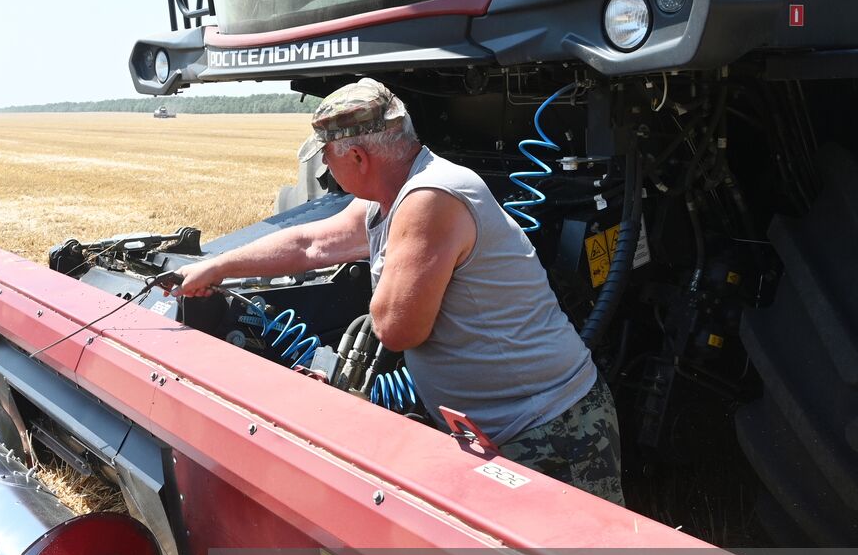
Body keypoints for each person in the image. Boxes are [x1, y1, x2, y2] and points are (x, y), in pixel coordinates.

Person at [171, 78, 624, 505]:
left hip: (553, 429)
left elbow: (396, 329)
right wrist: (218, 266)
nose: (324, 167)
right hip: (495, 426)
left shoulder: (431, 199)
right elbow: (311, 243)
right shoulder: (387, 198)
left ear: (359, 158)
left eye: (326, 156)